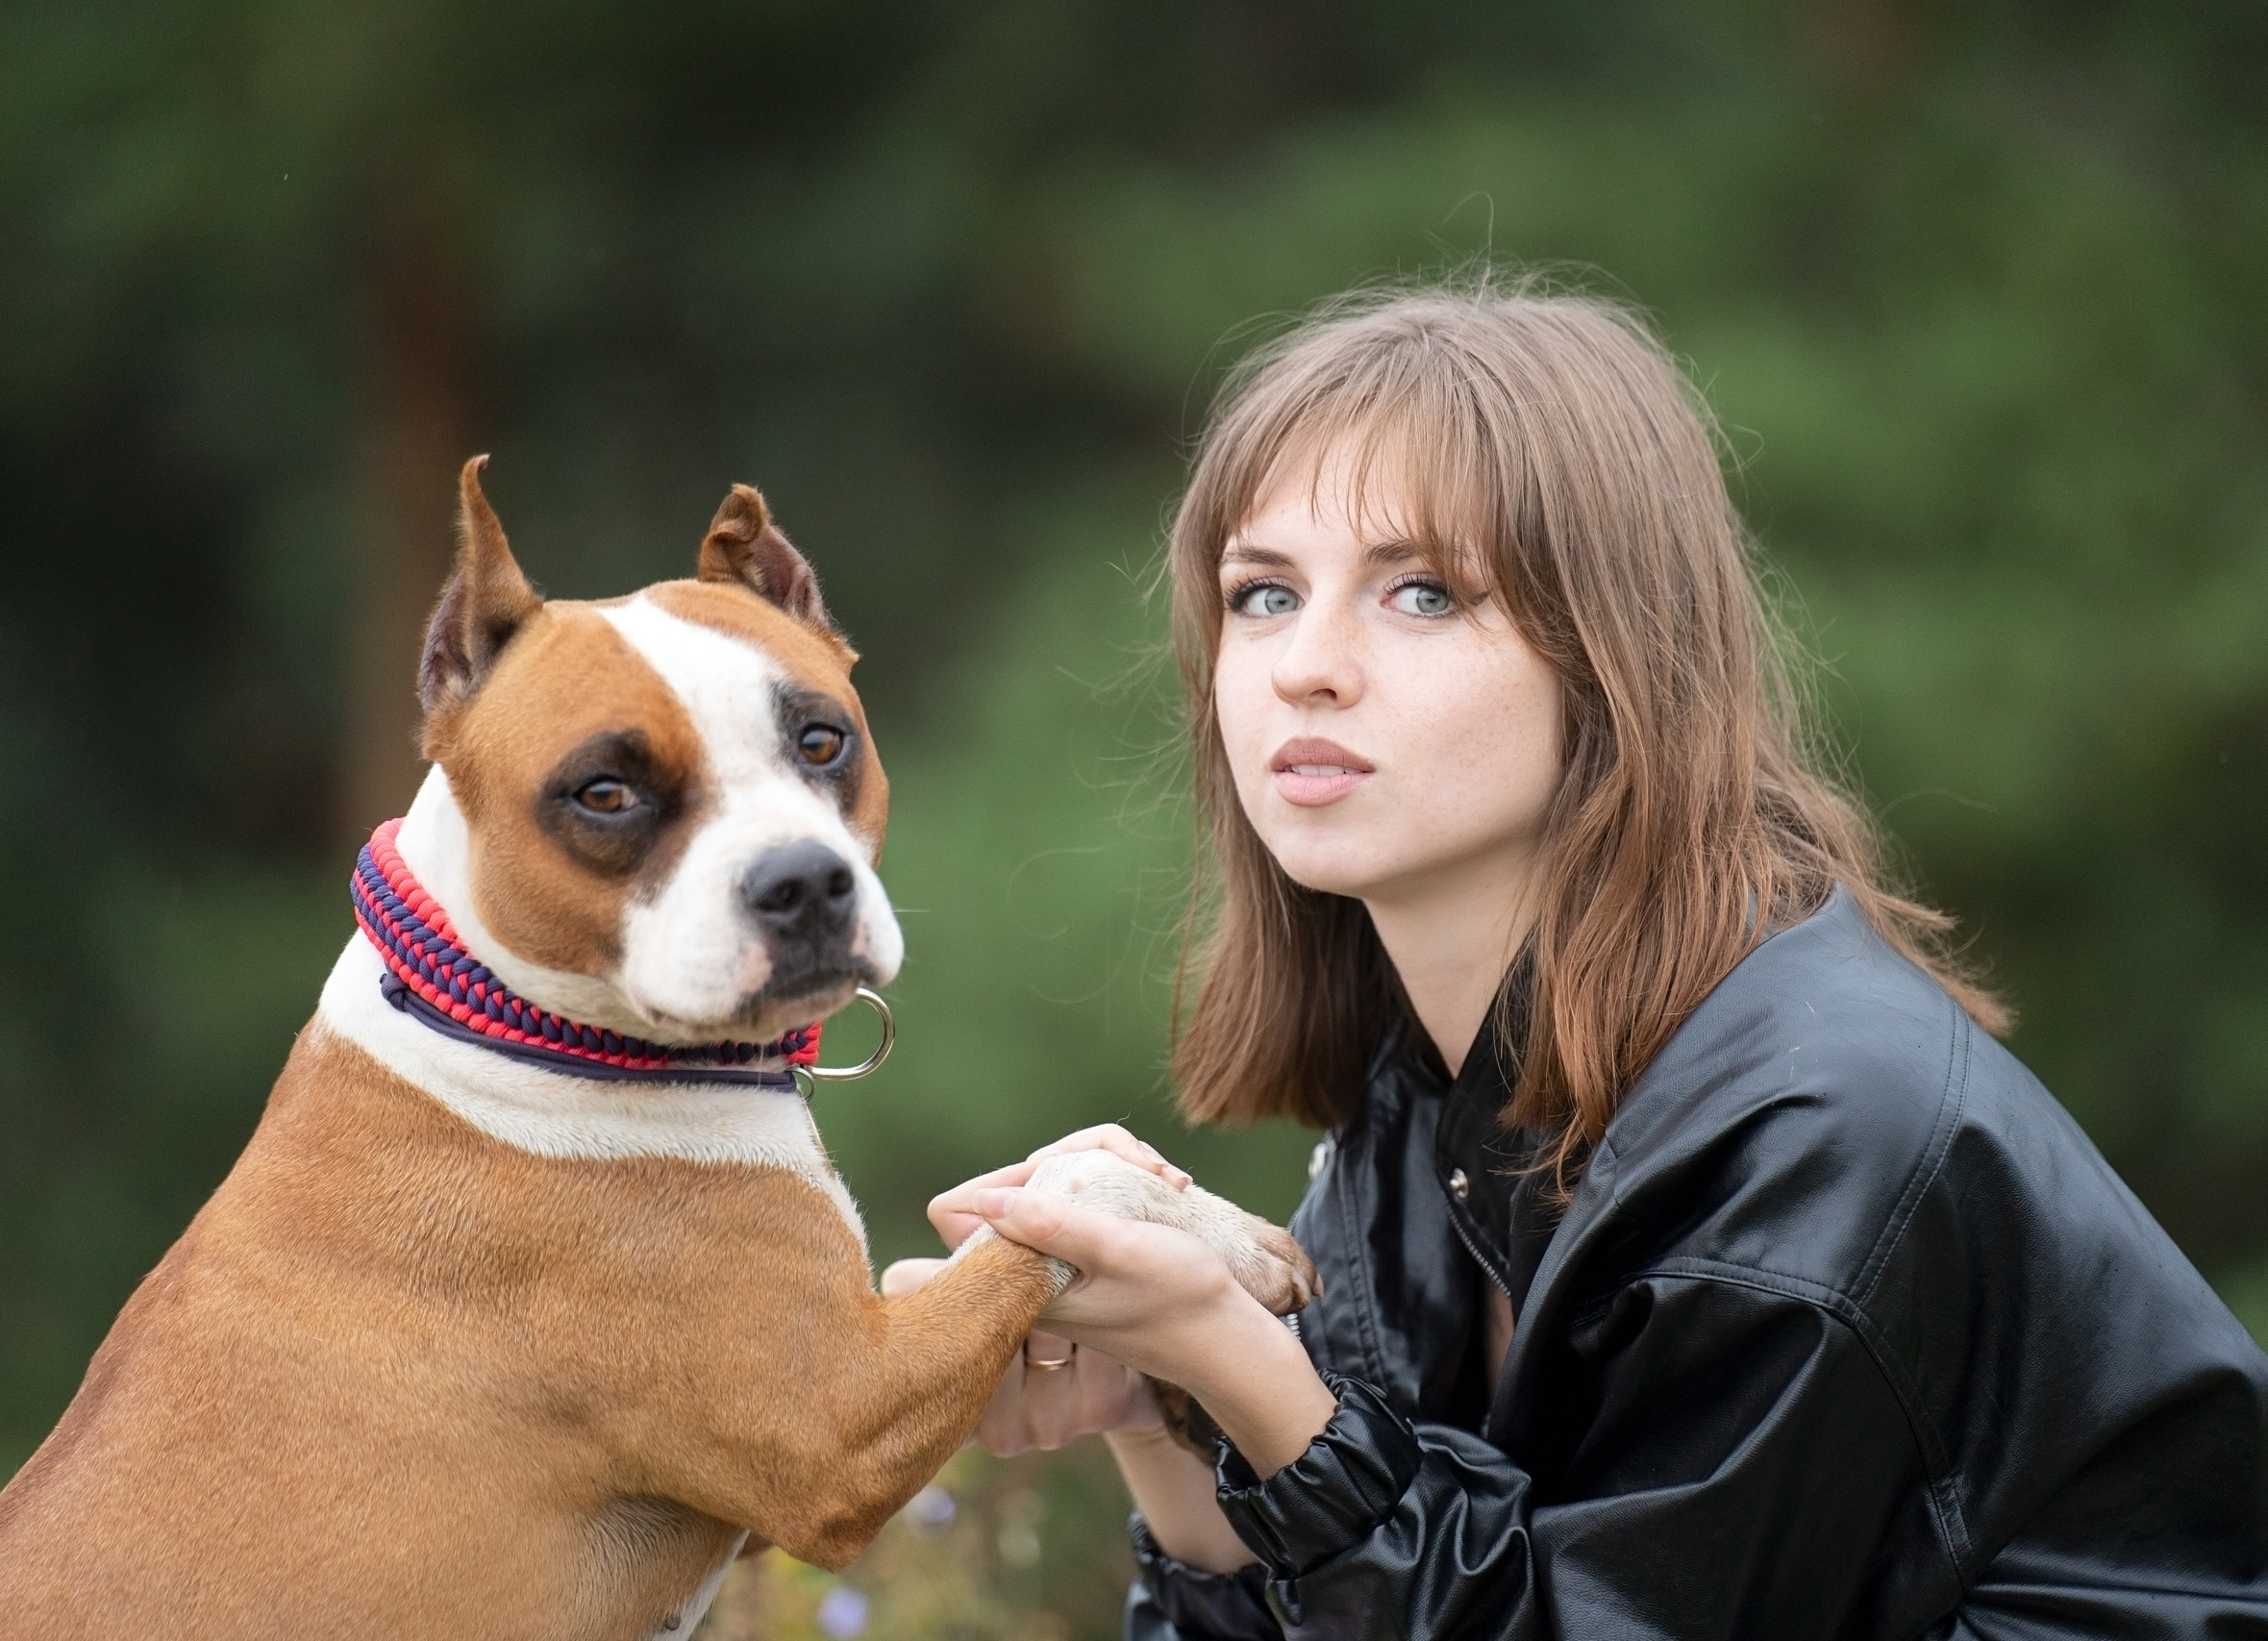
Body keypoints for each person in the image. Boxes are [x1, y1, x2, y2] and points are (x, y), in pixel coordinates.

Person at [881, 281, 2268, 1637]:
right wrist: (1164, 1401)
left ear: (1613, 654)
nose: (1306, 664)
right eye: (1263, 593)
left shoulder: (1810, 1136)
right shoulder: (1425, 1105)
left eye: (1422, 592)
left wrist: (1239, 1361)